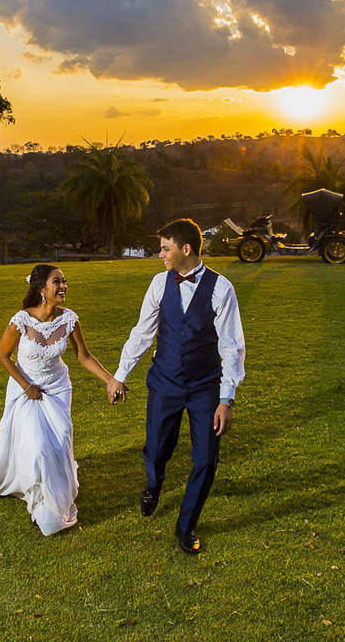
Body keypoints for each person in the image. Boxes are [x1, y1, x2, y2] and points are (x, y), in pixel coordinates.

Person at [0, 264, 122, 535]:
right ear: (42, 289)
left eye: (65, 281)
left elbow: (84, 357)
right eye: (57, 282)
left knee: (61, 436)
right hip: (25, 388)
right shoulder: (21, 320)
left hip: (57, 388)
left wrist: (111, 380)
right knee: (38, 447)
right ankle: (39, 502)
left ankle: (55, 488)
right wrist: (26, 385)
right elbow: (3, 355)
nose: (63, 286)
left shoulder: (69, 319)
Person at [108, 219, 246, 554]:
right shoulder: (158, 283)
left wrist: (226, 399)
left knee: (206, 460)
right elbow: (142, 333)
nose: (160, 255)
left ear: (185, 249)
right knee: (156, 449)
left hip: (205, 387)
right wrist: (119, 374)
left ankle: (187, 526)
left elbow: (232, 346)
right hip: (165, 381)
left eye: (165, 248)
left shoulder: (221, 288)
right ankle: (154, 484)